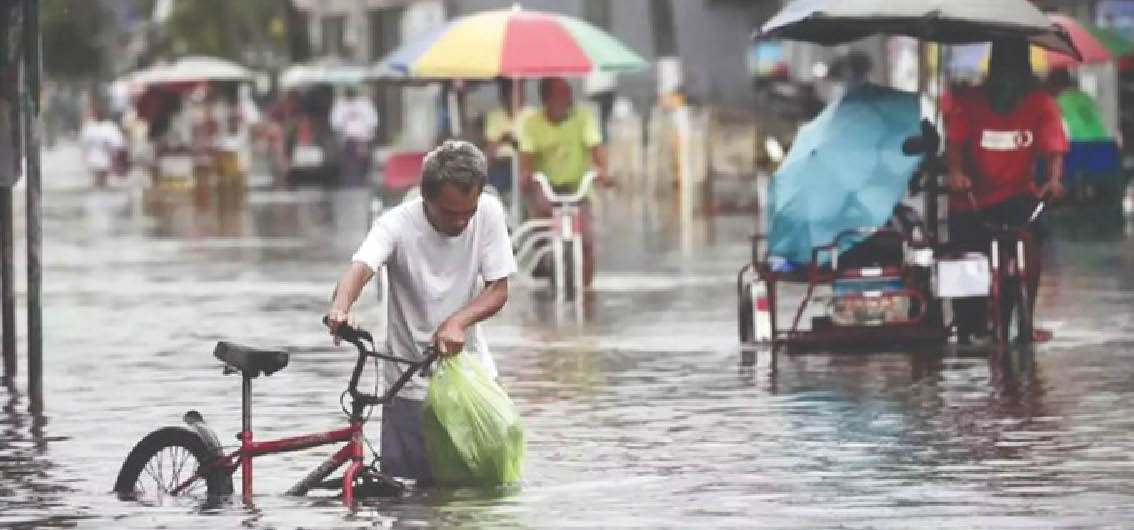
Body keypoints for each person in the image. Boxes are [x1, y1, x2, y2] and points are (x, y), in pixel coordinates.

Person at [325, 140, 516, 485]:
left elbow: (498, 289)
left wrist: (457, 322)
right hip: (407, 382)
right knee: (409, 501)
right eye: (449, 212)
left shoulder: (488, 211)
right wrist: (340, 309)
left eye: (467, 212)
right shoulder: (395, 225)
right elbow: (360, 268)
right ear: (425, 197)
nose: (460, 222)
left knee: (482, 495)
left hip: (471, 376)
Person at [944, 38, 1068, 345]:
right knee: (964, 260)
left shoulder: (1041, 104)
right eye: (1001, 74)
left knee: (1032, 240)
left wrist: (1054, 179)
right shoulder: (968, 101)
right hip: (970, 198)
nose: (1007, 84)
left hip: (1016, 195)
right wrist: (956, 174)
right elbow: (955, 143)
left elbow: (1053, 147)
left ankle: (1026, 316)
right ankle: (968, 324)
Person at [518, 77, 612, 287]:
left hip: (577, 187)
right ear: (547, 100)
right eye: (563, 95)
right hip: (547, 187)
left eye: (569, 93)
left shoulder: (583, 117)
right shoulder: (532, 123)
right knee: (541, 221)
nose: (569, 99)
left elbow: (596, 148)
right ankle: (543, 260)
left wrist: (603, 172)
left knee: (587, 239)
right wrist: (525, 173)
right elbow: (526, 156)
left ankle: (587, 290)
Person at [483, 78, 529, 196]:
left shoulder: (531, 115)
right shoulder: (494, 116)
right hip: (501, 163)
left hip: (524, 162)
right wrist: (503, 138)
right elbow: (490, 150)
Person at [330, 86, 379, 187]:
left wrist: (367, 135)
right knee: (350, 163)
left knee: (364, 162)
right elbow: (335, 122)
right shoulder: (341, 104)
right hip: (348, 139)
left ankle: (364, 181)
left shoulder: (364, 103)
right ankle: (351, 182)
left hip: (364, 139)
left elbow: (372, 121)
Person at [78, 101, 126, 188]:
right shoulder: (90, 126)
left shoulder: (108, 126)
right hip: (97, 161)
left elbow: (118, 144)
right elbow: (83, 145)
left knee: (100, 183)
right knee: (101, 183)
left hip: (102, 160)